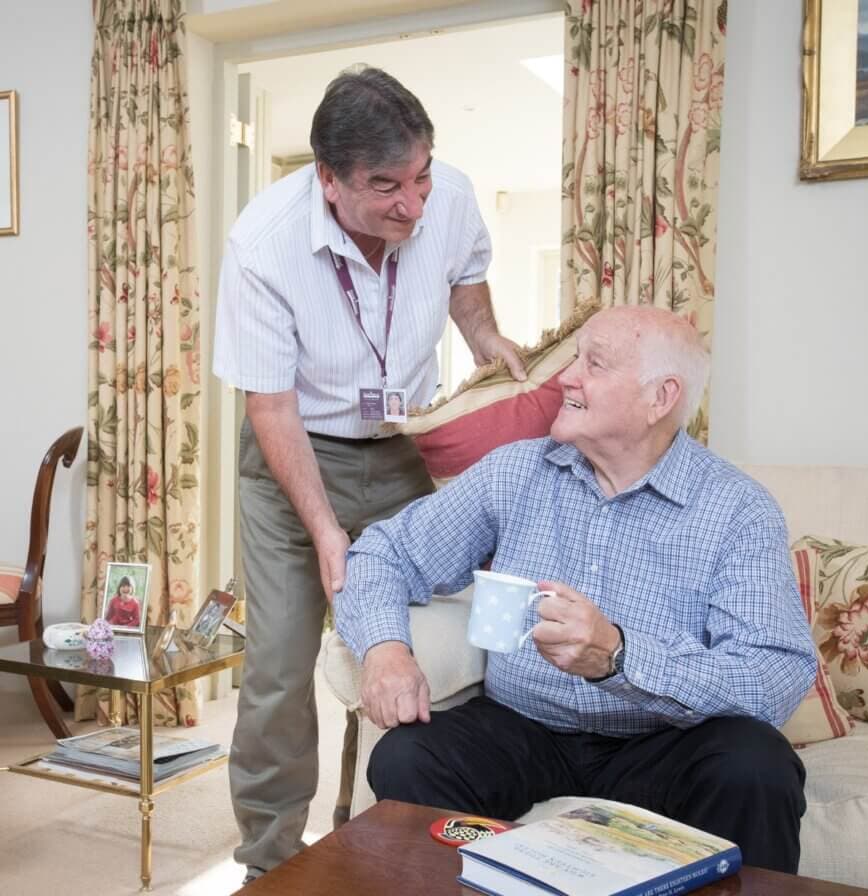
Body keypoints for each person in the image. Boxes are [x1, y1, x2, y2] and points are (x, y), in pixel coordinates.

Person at [336, 306, 817, 874]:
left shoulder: (737, 510)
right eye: (574, 360)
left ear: (660, 398)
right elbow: (382, 553)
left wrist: (620, 656)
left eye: (595, 364)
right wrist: (385, 648)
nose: (566, 378)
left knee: (756, 766)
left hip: (663, 739)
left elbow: (773, 677)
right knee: (408, 758)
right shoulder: (516, 472)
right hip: (525, 727)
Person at [212, 66, 526, 883]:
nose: (412, 205)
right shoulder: (263, 244)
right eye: (386, 186)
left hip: (401, 447)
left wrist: (488, 342)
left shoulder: (446, 196)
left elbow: (466, 287)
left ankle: (389, 833)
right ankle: (270, 860)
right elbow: (271, 409)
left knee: (408, 641)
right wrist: (323, 530)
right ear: (328, 179)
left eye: (420, 177)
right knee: (280, 666)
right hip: (294, 457)